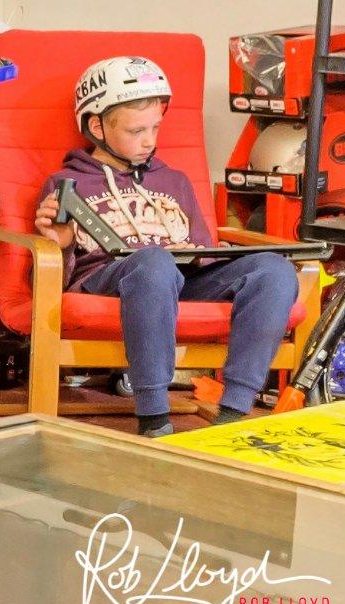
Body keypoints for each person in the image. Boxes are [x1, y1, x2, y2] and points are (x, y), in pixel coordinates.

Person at [33, 56, 299, 437]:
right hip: (111, 277)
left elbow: (205, 252)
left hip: (183, 275)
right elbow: (43, 275)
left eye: (156, 127)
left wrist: (215, 251)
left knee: (274, 268)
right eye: (136, 130)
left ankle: (233, 413)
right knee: (154, 263)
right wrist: (60, 244)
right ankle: (154, 417)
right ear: (96, 126)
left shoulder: (174, 180)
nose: (150, 141)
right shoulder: (67, 184)